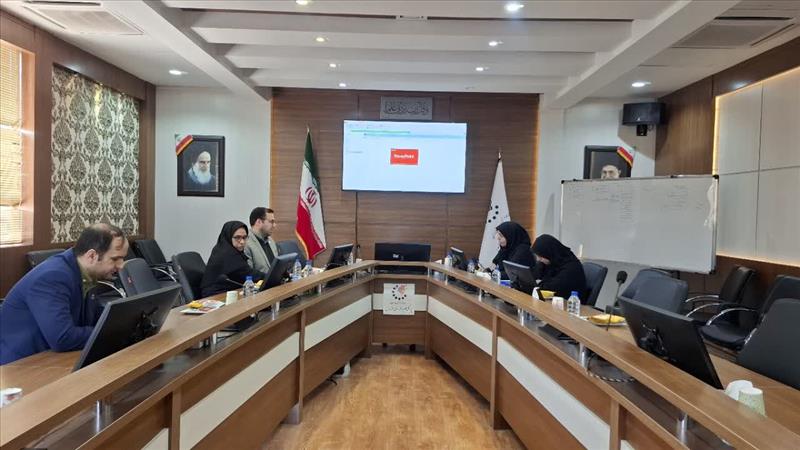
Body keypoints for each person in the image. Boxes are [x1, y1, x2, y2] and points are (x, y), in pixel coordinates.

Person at [0, 224, 128, 365]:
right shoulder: (52, 276)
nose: (121, 265)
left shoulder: (86, 271)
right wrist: (114, 332)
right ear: (92, 256)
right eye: (115, 259)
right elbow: (62, 338)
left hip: (52, 359)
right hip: (20, 366)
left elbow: (91, 320)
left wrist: (125, 323)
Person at [201, 221, 265, 297]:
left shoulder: (228, 249)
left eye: (244, 237)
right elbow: (249, 274)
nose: (242, 242)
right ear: (228, 236)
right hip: (214, 296)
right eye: (237, 237)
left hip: (229, 291)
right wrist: (270, 278)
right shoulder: (226, 253)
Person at [530, 234, 586, 299]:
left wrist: (538, 283)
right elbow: (533, 278)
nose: (538, 259)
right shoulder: (551, 261)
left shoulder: (571, 268)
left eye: (541, 257)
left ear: (550, 253)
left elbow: (550, 288)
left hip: (569, 303)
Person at [244, 207, 279, 274]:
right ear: (259, 222)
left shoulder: (271, 240)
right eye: (271, 222)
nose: (274, 225)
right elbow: (248, 274)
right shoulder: (246, 243)